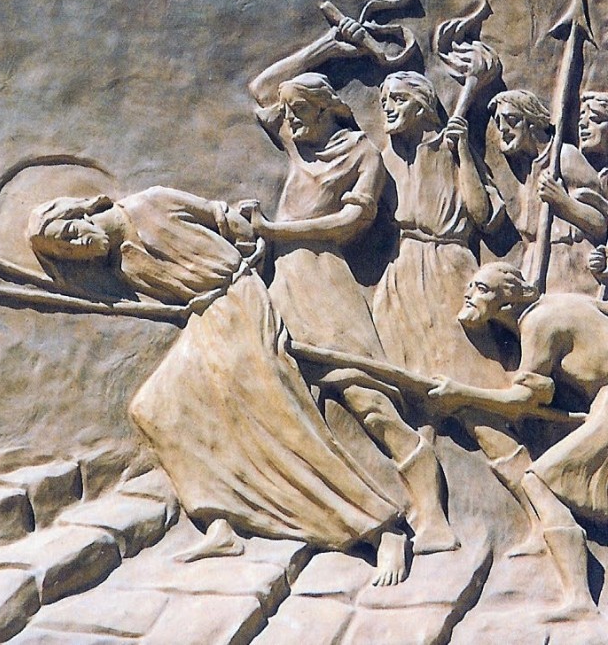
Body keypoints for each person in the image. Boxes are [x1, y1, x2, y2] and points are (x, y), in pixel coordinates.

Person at [31, 185, 416, 587]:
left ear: (80, 213)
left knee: (278, 419)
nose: (77, 247)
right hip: (207, 321)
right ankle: (220, 523)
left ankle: (381, 528)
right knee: (154, 409)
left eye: (69, 235)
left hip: (239, 302)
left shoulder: (152, 204)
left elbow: (224, 218)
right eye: (66, 252)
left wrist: (247, 239)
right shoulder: (119, 261)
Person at [242, 72, 459, 556]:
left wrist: (276, 231)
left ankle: (433, 518)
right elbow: (261, 89)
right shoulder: (298, 144)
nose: (290, 119)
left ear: (329, 109)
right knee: (288, 396)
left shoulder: (363, 154)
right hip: (280, 282)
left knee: (369, 401)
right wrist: (335, 44)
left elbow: (351, 221)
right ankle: (342, 516)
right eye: (288, 111)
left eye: (300, 110)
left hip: (322, 282)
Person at [430, 261, 608, 620]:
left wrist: (461, 393)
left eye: (482, 289)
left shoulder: (538, 323)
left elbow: (520, 403)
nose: (469, 294)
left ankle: (580, 600)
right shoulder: (561, 303)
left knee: (538, 480)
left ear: (509, 301)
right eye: (471, 286)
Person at [373, 71, 508, 387]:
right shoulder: (386, 158)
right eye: (384, 101)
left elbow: (483, 215)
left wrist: (463, 153)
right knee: (401, 355)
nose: (388, 108)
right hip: (401, 268)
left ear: (422, 107)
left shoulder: (450, 149)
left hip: (449, 265)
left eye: (398, 99)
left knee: (465, 357)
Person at [489, 89, 608, 296]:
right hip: (536, 266)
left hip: (569, 268)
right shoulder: (528, 168)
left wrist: (562, 202)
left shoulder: (565, 156)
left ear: (533, 122)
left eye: (511, 120)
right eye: (499, 122)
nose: (503, 129)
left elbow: (600, 223)